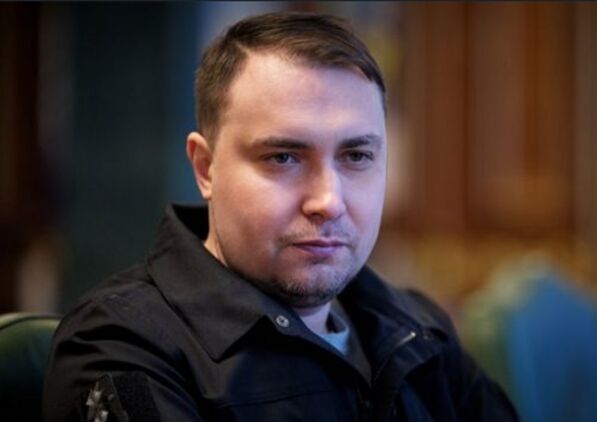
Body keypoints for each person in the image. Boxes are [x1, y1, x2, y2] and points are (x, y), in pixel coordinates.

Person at [43, 11, 517, 421]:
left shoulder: (416, 326)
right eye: (283, 158)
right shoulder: (123, 347)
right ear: (206, 168)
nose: (328, 201)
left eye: (356, 156)